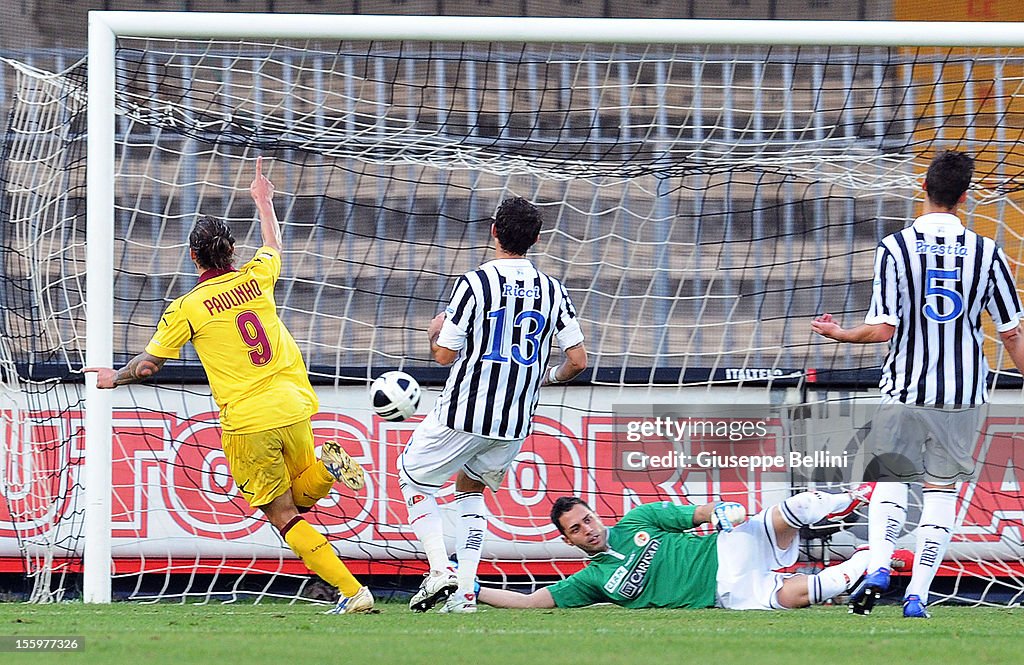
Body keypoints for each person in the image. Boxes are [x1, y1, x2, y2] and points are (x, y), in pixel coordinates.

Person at [84, 157, 375, 615]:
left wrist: (110, 377)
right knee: (299, 496)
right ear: (232, 252)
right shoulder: (257, 277)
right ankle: (325, 470)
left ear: (194, 257)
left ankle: (352, 591)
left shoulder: (188, 307)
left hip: (248, 419)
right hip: (295, 404)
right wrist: (263, 200)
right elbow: (275, 243)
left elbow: (146, 367)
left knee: (283, 516)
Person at [811, 150, 1024, 618]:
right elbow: (1011, 333)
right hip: (962, 393)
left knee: (891, 482)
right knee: (941, 491)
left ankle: (882, 566)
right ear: (965, 198)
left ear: (922, 190)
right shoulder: (990, 253)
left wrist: (840, 332)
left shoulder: (895, 247)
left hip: (905, 387)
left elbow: (883, 329)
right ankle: (918, 596)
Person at [399, 197, 588, 614]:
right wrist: (545, 376)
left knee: (412, 478)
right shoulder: (553, 290)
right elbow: (577, 361)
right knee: (470, 492)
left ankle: (439, 570)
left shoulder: (474, 283)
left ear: (494, 232)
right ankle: (465, 593)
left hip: (464, 412)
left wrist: (434, 333)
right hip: (514, 421)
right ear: (536, 239)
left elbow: (444, 356)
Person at [477, 489, 880, 611]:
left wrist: (722, 511)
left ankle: (863, 495)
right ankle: (875, 557)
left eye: (589, 519)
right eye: (577, 529)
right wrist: (470, 588)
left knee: (795, 509)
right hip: (726, 595)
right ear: (568, 540)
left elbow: (700, 512)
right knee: (803, 594)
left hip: (730, 548)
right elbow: (530, 602)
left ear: (597, 516)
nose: (589, 529)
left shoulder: (638, 519)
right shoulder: (591, 581)